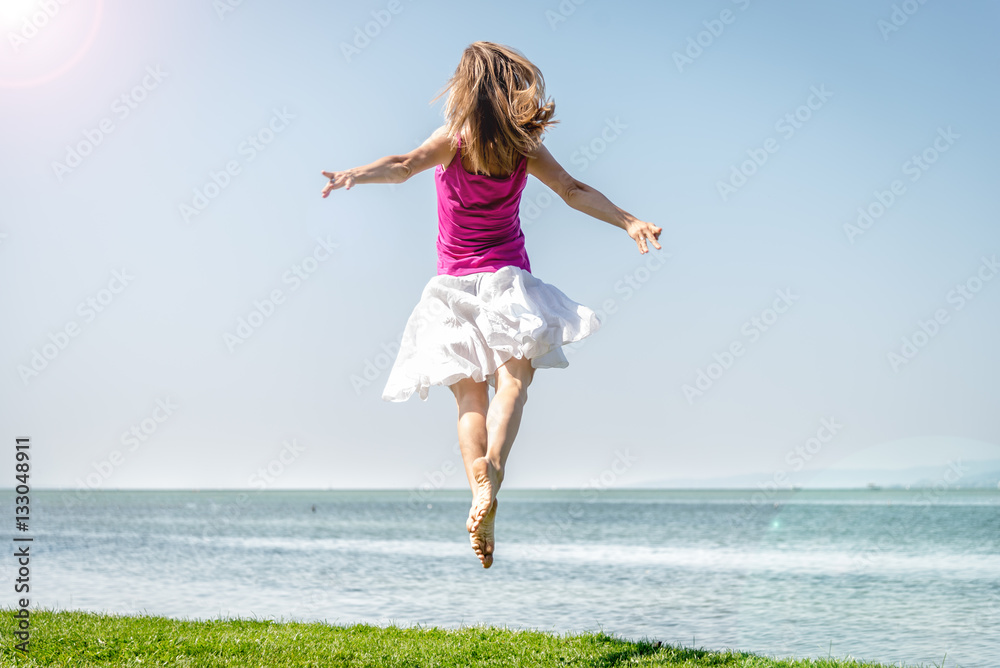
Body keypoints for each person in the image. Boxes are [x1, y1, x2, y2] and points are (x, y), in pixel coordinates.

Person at [320, 41, 661, 568]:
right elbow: (573, 190)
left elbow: (403, 166)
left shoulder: (451, 142)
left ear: (467, 90)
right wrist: (629, 220)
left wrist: (354, 175)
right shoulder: (523, 148)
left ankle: (478, 482)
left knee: (467, 403)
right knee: (516, 384)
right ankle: (494, 471)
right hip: (507, 284)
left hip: (452, 290)